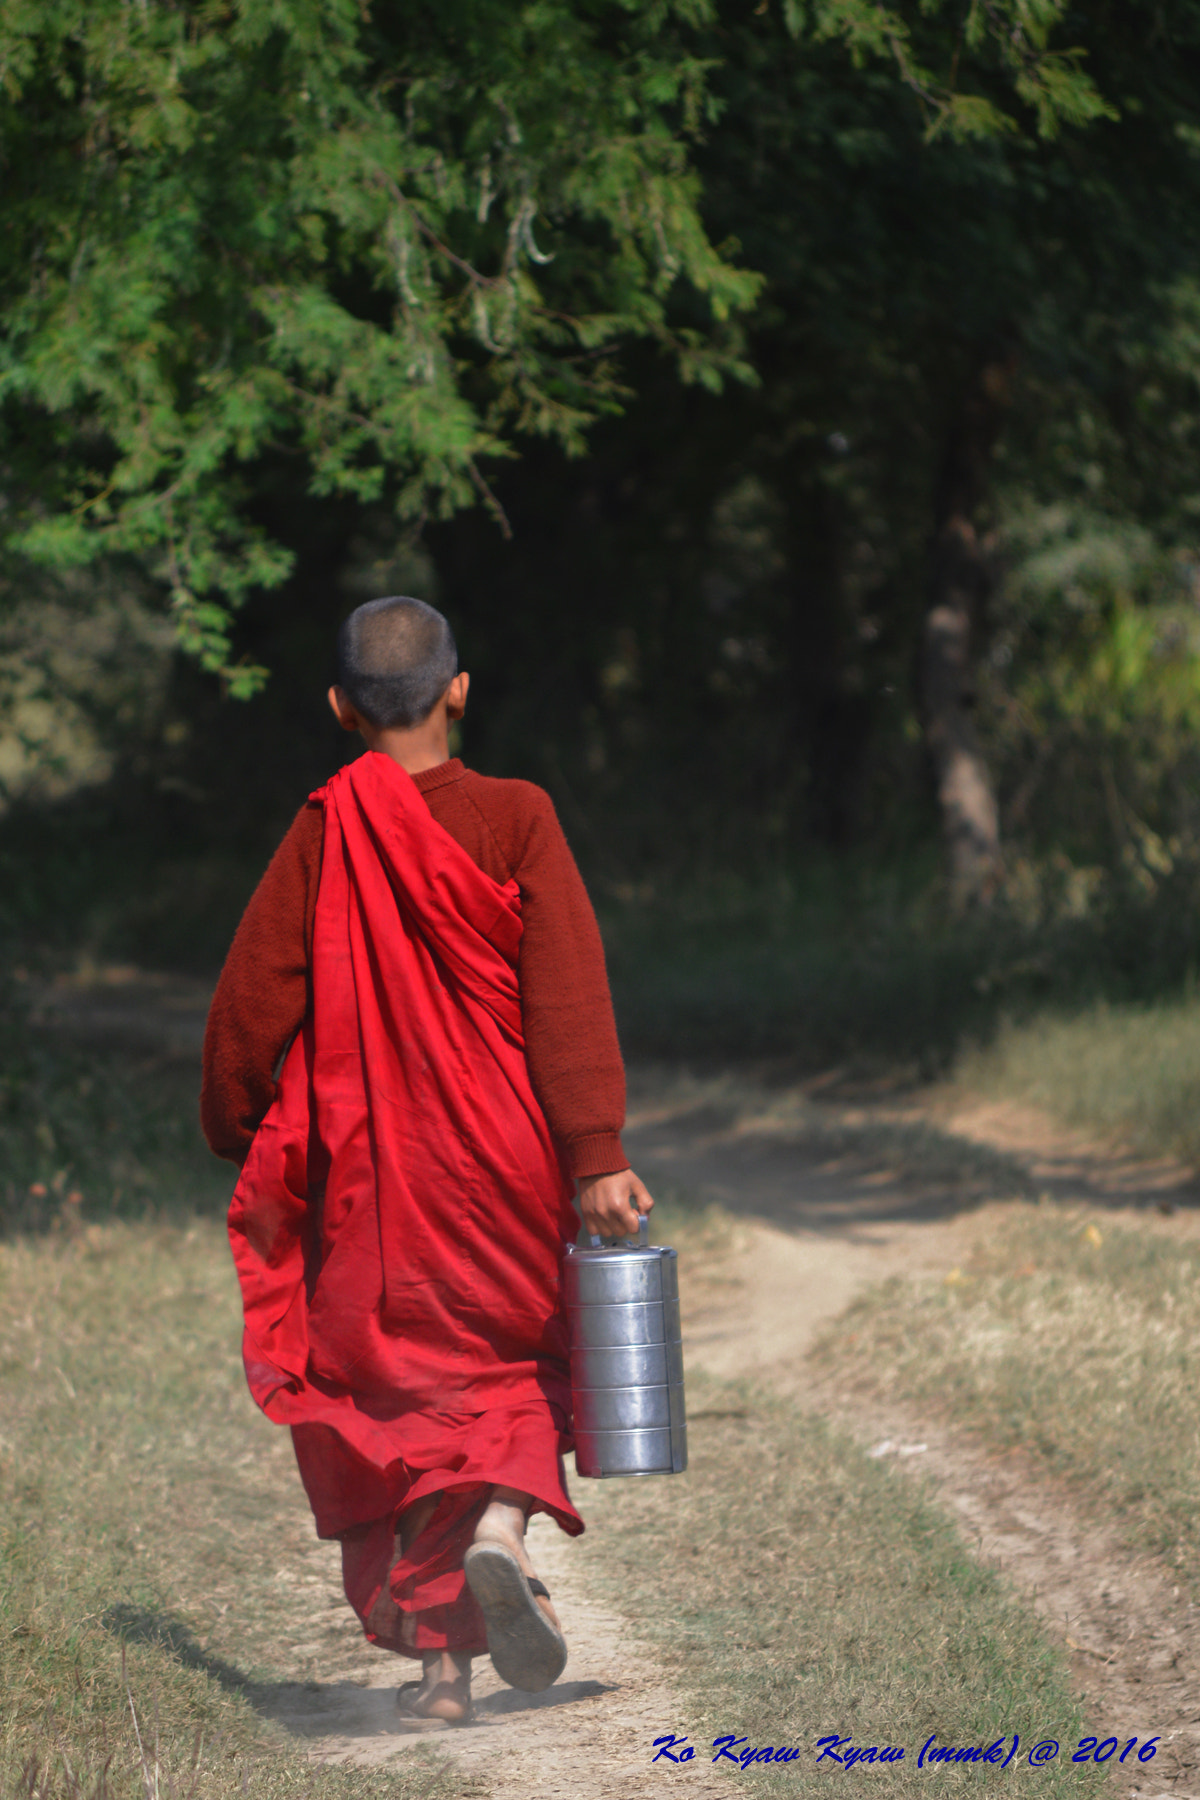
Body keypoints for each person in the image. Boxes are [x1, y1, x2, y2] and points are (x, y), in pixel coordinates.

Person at [201, 595, 653, 1729]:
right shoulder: (517, 816)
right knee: (520, 1364)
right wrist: (593, 1152)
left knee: (400, 1403)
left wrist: (237, 1123)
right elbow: (566, 995)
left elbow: (253, 1003)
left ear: (340, 708)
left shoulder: (326, 826)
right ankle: (503, 1525)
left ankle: (445, 1677)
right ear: (460, 690)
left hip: (372, 1179)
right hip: (506, 1161)